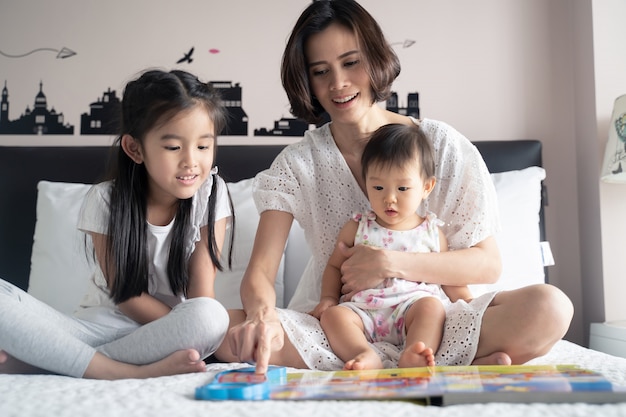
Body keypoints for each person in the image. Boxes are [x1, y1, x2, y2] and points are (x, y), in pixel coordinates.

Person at [218, 0, 573, 373]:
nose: (338, 84)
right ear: (307, 82)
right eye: (321, 71)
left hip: (433, 321)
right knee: (219, 327)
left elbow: (486, 264)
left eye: (351, 63)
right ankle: (458, 362)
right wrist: (263, 318)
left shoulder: (443, 147)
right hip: (337, 327)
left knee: (550, 308)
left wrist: (388, 262)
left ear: (374, 59)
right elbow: (259, 272)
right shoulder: (297, 164)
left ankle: (427, 354)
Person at [0, 69, 233, 379]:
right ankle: (120, 370)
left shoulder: (213, 194)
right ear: (135, 149)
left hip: (166, 336)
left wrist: (185, 326)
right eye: (174, 147)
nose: (191, 161)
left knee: (210, 316)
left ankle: (55, 362)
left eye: (203, 146)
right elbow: (126, 296)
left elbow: (201, 295)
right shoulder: (105, 200)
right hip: (93, 331)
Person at [311, 123, 472, 370]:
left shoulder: (431, 232)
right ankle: (364, 354)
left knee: (432, 309)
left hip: (411, 308)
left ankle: (415, 352)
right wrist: (329, 298)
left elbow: (448, 276)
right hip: (364, 310)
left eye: (402, 188)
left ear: (426, 187)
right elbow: (334, 266)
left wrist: (467, 303)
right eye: (378, 187)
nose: (389, 198)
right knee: (334, 317)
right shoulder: (357, 228)